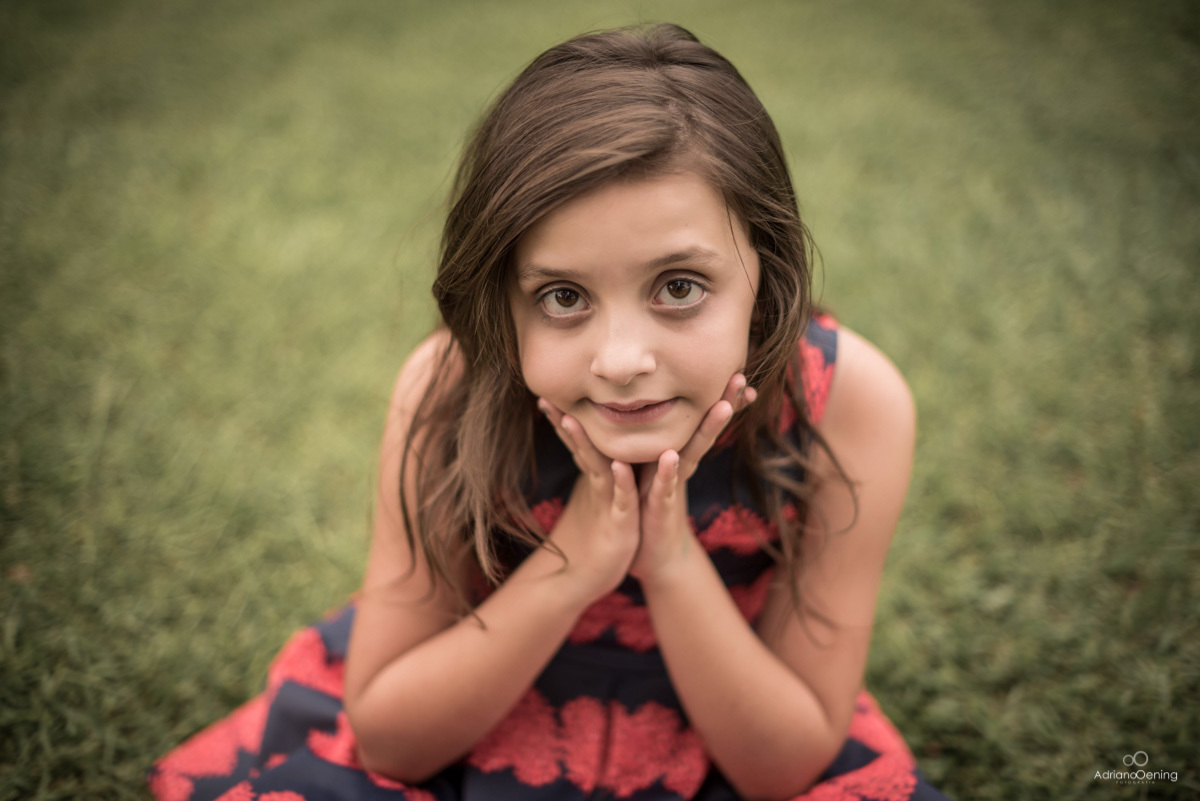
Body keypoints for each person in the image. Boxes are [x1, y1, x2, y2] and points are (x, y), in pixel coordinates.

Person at [149, 23, 951, 801]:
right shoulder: (450, 392)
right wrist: (573, 563)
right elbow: (389, 737)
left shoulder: (849, 407)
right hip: (476, 704)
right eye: (563, 296)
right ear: (504, 300)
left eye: (679, 286)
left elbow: (782, 769)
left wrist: (667, 559)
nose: (621, 359)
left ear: (766, 276)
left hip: (738, 715)